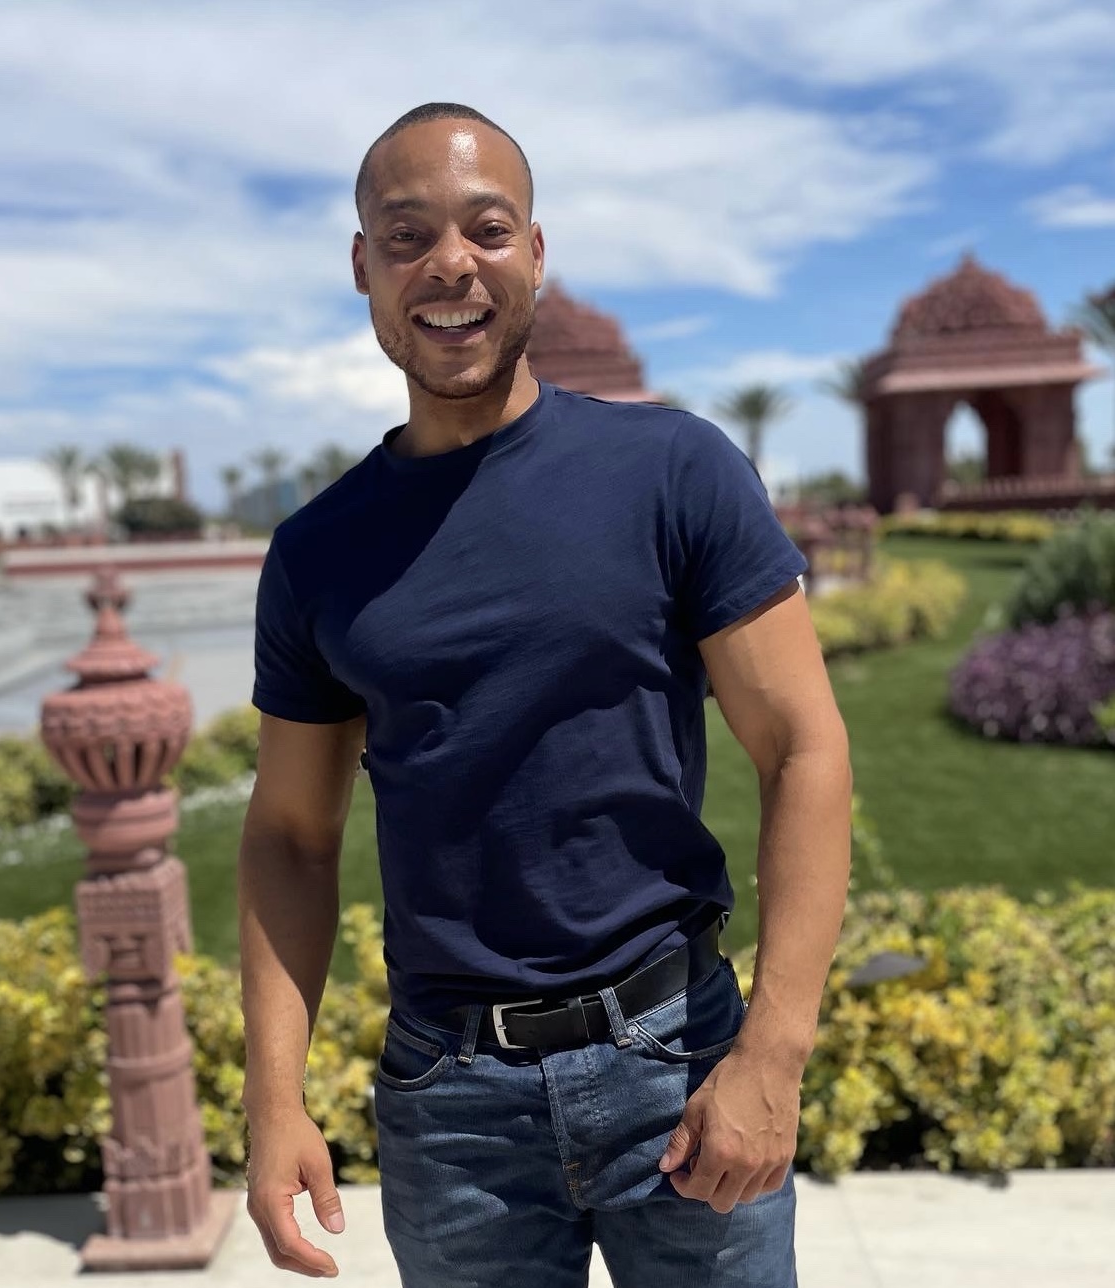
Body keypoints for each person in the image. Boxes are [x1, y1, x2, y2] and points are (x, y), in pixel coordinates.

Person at [239, 102, 852, 1288]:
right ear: (363, 266)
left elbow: (802, 749)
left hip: (676, 1060)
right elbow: (289, 835)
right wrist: (274, 1101)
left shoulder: (671, 472)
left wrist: (772, 1053)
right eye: (407, 235)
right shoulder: (318, 553)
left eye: (486, 228)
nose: (449, 263)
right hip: (449, 1103)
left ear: (534, 252)